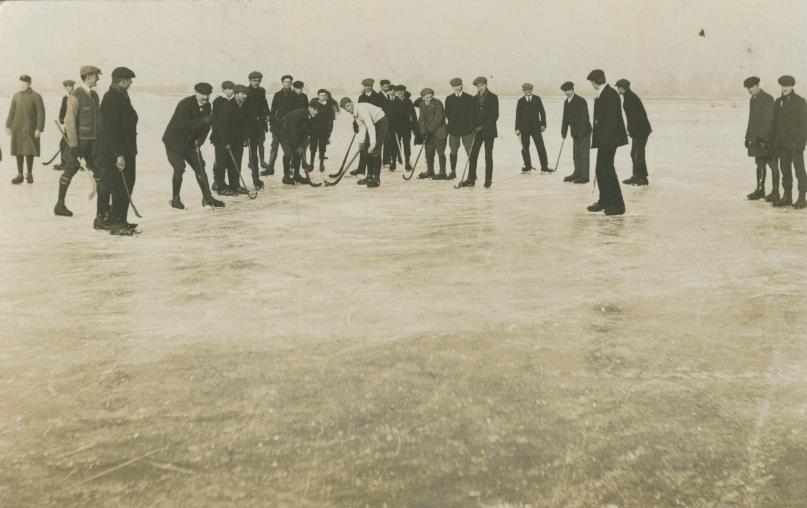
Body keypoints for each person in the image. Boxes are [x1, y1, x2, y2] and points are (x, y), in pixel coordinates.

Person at [55, 66, 108, 227]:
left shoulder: (94, 95)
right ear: (88, 76)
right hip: (79, 143)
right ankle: (60, 204)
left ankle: (103, 210)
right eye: (95, 76)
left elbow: (98, 120)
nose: (98, 79)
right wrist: (74, 145)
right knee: (70, 169)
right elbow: (70, 122)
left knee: (100, 171)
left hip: (94, 142)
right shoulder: (75, 96)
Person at [162, 82, 225, 210]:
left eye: (208, 94)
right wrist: (202, 121)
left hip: (191, 143)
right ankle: (175, 199)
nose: (205, 97)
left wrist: (200, 140)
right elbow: (184, 125)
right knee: (179, 168)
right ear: (195, 93)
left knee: (200, 168)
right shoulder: (184, 104)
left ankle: (207, 198)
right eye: (202, 94)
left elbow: (206, 128)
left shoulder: (207, 106)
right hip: (174, 142)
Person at [97, 67, 139, 235]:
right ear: (121, 81)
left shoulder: (121, 96)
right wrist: (119, 155)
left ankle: (121, 220)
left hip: (127, 150)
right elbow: (112, 130)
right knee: (120, 187)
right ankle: (117, 223)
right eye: (129, 80)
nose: (131, 82)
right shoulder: (111, 98)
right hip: (117, 153)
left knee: (127, 184)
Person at [586, 69, 627, 216]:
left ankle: (618, 205)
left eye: (592, 82)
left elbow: (611, 121)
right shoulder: (603, 93)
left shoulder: (609, 94)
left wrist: (605, 142)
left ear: (595, 82)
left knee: (607, 170)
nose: (592, 85)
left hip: (609, 140)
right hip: (604, 140)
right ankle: (604, 201)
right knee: (600, 170)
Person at [771, 75, 807, 209]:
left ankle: (802, 197)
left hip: (795, 145)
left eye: (787, 86)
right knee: (785, 171)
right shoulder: (778, 102)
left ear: (792, 86)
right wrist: (775, 143)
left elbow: (804, 125)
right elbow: (775, 124)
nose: (784, 88)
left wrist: (801, 144)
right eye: (782, 85)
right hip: (782, 145)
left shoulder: (800, 102)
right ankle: (787, 196)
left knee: (799, 172)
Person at [743, 76, 779, 201]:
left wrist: (761, 138)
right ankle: (760, 190)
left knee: (772, 164)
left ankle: (775, 192)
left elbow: (767, 121)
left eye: (751, 87)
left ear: (758, 85)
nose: (749, 90)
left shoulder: (767, 99)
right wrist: (748, 136)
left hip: (767, 140)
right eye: (748, 88)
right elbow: (752, 120)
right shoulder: (753, 99)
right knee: (759, 163)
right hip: (756, 139)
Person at [5, 75, 45, 185]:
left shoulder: (36, 96)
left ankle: (29, 174)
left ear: (29, 84)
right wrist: (8, 126)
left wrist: (39, 128)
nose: (22, 85)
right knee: (18, 151)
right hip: (17, 128)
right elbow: (11, 112)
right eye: (21, 83)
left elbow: (41, 113)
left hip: (30, 129)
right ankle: (20, 175)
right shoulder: (16, 96)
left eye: (25, 84)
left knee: (29, 151)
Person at [340, 96, 387, 188]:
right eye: (346, 108)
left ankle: (376, 179)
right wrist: (361, 142)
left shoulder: (361, 109)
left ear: (351, 102)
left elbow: (370, 125)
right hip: (373, 124)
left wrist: (372, 144)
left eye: (348, 105)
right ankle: (369, 176)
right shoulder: (354, 113)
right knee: (366, 149)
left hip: (381, 121)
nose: (348, 109)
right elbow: (362, 126)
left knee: (375, 150)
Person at [461, 76, 499, 188]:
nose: (480, 88)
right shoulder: (474, 99)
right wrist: (473, 127)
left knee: (488, 155)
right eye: (478, 86)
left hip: (489, 131)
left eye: (482, 85)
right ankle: (471, 179)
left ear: (486, 85)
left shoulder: (493, 97)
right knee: (473, 155)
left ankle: (488, 179)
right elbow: (471, 115)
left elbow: (494, 115)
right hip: (477, 132)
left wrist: (482, 126)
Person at [616, 79, 652, 186]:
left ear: (622, 88)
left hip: (641, 130)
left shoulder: (631, 98)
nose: (617, 89)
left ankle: (643, 178)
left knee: (638, 153)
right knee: (634, 153)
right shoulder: (628, 97)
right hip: (638, 130)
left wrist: (631, 130)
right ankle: (636, 176)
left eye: (618, 87)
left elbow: (636, 118)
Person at [216, 84, 250, 195]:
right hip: (224, 140)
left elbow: (245, 124)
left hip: (237, 141)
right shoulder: (227, 106)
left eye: (246, 94)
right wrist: (226, 142)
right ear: (235, 94)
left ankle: (235, 186)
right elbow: (223, 126)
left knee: (236, 163)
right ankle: (221, 187)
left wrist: (245, 138)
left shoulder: (244, 107)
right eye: (242, 94)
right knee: (222, 164)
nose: (245, 96)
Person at [278, 99, 322, 184]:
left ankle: (296, 175)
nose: (316, 112)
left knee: (297, 153)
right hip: (284, 132)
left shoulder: (312, 116)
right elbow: (294, 131)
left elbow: (306, 131)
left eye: (318, 110)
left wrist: (302, 145)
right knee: (288, 153)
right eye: (315, 109)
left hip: (295, 134)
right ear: (309, 108)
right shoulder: (299, 114)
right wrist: (297, 146)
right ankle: (286, 177)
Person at [351, 78, 386, 177]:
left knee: (373, 148)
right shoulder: (361, 97)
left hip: (376, 124)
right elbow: (357, 112)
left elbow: (382, 111)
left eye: (369, 86)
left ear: (372, 86)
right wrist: (355, 125)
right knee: (364, 147)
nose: (367, 87)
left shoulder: (378, 97)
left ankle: (373, 172)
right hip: (365, 125)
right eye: (366, 86)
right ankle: (361, 169)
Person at [560, 81, 592, 184]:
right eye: (565, 91)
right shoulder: (566, 102)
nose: (567, 92)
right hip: (575, 132)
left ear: (573, 89)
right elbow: (565, 118)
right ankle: (577, 173)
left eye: (569, 90)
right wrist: (564, 130)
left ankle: (584, 176)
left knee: (583, 154)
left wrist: (582, 132)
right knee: (576, 154)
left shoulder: (580, 101)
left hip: (584, 132)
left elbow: (585, 118)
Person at [445, 78, 476, 180]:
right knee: (453, 151)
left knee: (470, 151)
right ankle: (453, 172)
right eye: (454, 86)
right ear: (452, 87)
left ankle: (472, 173)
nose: (457, 88)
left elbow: (472, 114)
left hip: (467, 130)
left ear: (461, 85)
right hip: (453, 130)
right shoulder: (449, 99)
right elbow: (447, 113)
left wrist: (471, 127)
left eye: (458, 85)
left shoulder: (469, 98)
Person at [515, 82, 550, 173]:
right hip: (524, 128)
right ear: (523, 91)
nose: (528, 91)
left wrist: (543, 124)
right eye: (526, 90)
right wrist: (517, 128)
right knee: (525, 148)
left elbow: (542, 112)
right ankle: (527, 167)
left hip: (536, 128)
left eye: (529, 89)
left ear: (532, 90)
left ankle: (544, 167)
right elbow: (518, 116)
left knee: (540, 147)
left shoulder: (537, 99)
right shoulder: (520, 101)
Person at [265, 74, 296, 176]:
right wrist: (271, 124)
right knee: (274, 146)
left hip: (288, 127)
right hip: (277, 126)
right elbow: (273, 110)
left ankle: (288, 169)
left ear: (291, 83)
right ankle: (270, 168)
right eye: (285, 82)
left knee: (288, 149)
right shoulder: (277, 95)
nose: (287, 84)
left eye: (289, 82)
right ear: (282, 83)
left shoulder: (294, 96)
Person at [210, 80, 236, 194]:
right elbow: (219, 121)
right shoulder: (220, 101)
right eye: (229, 89)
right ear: (224, 90)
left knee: (223, 159)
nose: (232, 91)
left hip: (224, 135)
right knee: (221, 161)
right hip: (220, 136)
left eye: (232, 89)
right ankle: (221, 186)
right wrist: (223, 137)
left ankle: (217, 182)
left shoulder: (227, 101)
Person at [417, 88, 448, 179]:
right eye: (427, 97)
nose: (429, 99)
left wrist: (429, 130)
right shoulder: (422, 104)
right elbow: (422, 119)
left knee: (440, 152)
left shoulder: (438, 103)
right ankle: (430, 171)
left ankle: (442, 173)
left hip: (440, 132)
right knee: (429, 152)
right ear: (423, 97)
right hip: (428, 133)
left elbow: (438, 119)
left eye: (431, 97)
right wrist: (423, 132)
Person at [245, 71, 271, 180]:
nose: (256, 82)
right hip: (250, 123)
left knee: (261, 142)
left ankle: (262, 161)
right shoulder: (246, 91)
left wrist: (268, 114)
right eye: (254, 80)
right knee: (252, 144)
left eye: (258, 80)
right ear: (250, 81)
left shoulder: (262, 91)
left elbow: (264, 104)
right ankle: (251, 162)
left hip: (261, 122)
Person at [309, 89, 338, 172]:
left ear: (326, 96)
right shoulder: (314, 104)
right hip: (314, 130)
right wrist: (309, 129)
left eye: (324, 95)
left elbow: (331, 120)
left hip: (324, 131)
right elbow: (310, 117)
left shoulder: (329, 106)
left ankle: (321, 164)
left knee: (322, 148)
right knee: (313, 148)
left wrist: (329, 131)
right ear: (318, 96)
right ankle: (311, 164)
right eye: (321, 95)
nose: (322, 97)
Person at [392, 85, 418, 171]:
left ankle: (407, 162)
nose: (401, 92)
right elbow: (390, 115)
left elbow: (413, 115)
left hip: (406, 127)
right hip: (396, 127)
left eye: (402, 90)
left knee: (407, 145)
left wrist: (414, 127)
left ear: (405, 91)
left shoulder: (409, 101)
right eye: (399, 91)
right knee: (395, 145)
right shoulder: (393, 101)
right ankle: (393, 162)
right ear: (396, 92)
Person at [54, 79, 75, 171]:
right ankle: (63, 163)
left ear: (73, 87)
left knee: (74, 144)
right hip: (67, 125)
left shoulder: (76, 96)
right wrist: (61, 119)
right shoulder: (65, 98)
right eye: (66, 86)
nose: (68, 88)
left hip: (74, 125)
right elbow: (62, 110)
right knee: (63, 143)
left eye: (70, 86)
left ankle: (81, 163)